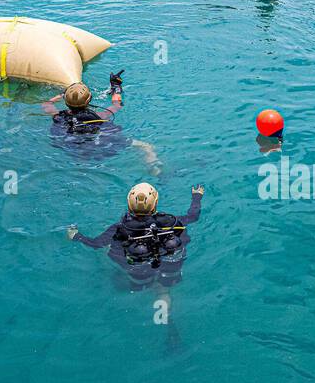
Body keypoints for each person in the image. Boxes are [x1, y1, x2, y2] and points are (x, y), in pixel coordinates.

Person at [67, 183, 204, 288]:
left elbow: (96, 244)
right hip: (169, 265)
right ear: (155, 203)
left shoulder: (119, 229)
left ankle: (145, 285)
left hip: (139, 272)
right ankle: (165, 286)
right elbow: (193, 217)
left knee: (132, 275)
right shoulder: (171, 221)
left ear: (129, 204)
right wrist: (196, 197)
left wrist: (76, 236)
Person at [42, 72, 158, 170]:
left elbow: (47, 104)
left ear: (66, 101)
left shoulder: (59, 116)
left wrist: (62, 94)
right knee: (145, 146)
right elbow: (117, 105)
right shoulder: (100, 115)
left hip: (72, 146)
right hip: (102, 143)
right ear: (90, 99)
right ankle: (154, 166)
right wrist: (116, 87)